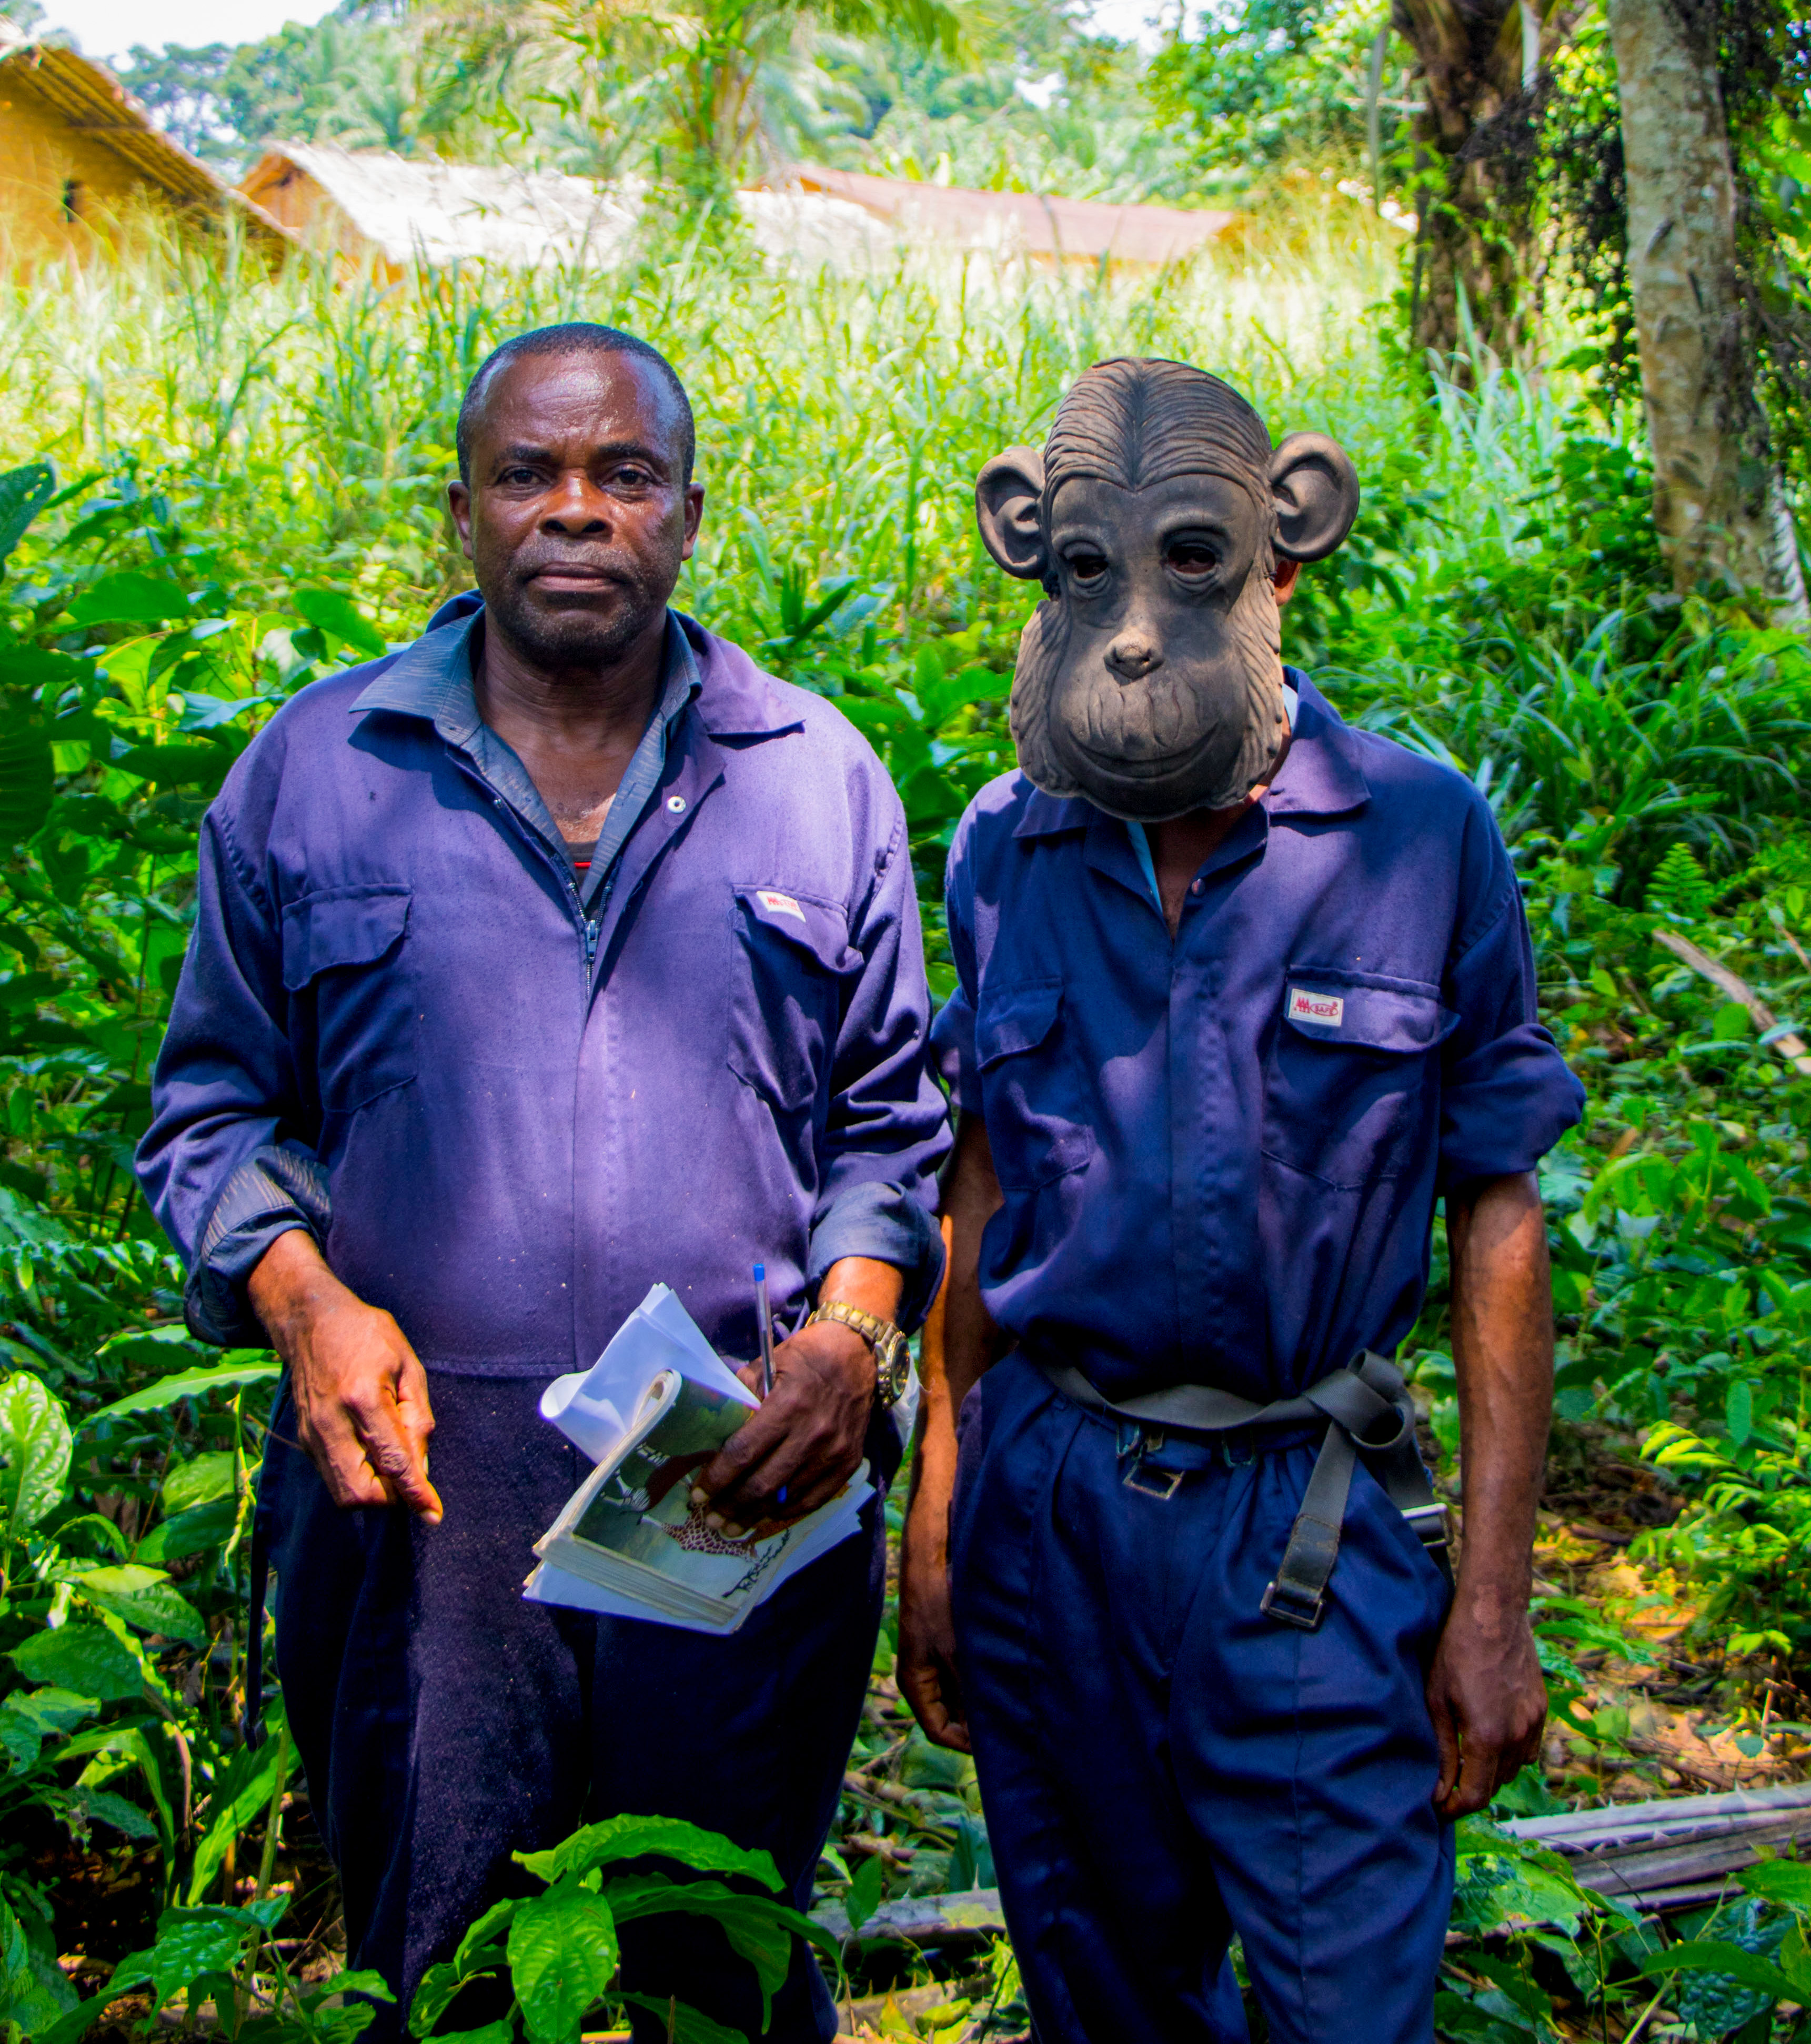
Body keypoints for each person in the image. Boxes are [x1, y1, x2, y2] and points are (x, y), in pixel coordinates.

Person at [137, 323, 950, 2043]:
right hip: (418, 1515)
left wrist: (855, 1333)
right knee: (436, 1978)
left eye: (621, 476)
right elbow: (206, 1114)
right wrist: (305, 1302)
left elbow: (891, 1123)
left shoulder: (816, 779)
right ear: (464, 514)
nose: (574, 512)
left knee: (717, 1970)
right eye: (530, 475)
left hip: (730, 1494)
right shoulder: (316, 773)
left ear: (689, 514)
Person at [896, 357, 1585, 2044]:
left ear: (1287, 546)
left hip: (1307, 1520)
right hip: (1051, 1505)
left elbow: (1496, 1211)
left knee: (1347, 2002)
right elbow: (978, 1182)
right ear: (1028, 551)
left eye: (1189, 561)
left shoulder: (1420, 835)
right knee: (1101, 1988)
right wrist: (938, 1503)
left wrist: (1490, 1607)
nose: (1132, 627)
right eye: (1084, 571)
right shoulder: (1004, 841)